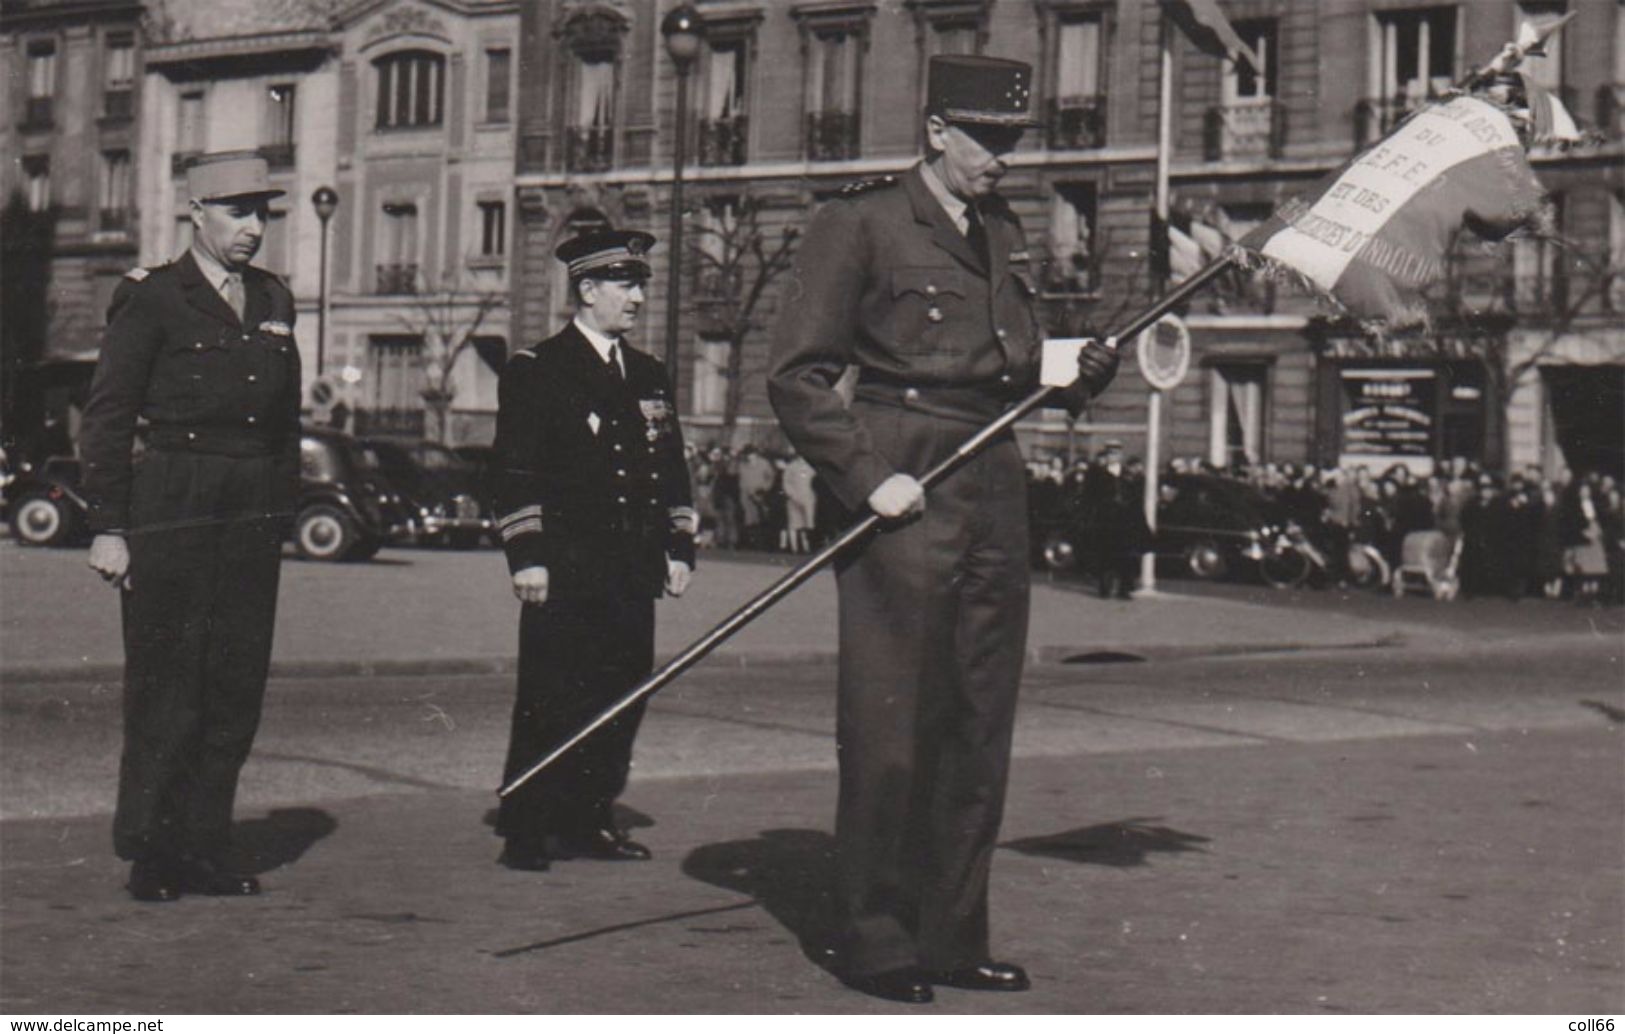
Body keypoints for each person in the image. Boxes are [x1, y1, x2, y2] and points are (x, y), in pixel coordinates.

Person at [767, 54, 1119, 1004]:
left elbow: (1003, 366)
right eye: (986, 137)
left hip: (992, 480)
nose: (1003, 156)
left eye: (1011, 139)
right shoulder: (860, 223)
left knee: (976, 720)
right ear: (933, 131)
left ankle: (951, 933)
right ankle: (875, 936)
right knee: (891, 723)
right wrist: (864, 475)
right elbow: (797, 374)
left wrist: (1075, 370)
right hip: (906, 474)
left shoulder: (1001, 228)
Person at [79, 151, 301, 903]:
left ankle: (206, 845)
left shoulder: (274, 299)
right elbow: (108, 415)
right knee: (168, 680)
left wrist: (280, 514)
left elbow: (285, 420)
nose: (251, 228)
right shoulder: (153, 297)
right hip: (174, 494)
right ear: (196, 214)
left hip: (248, 505)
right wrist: (110, 524)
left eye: (261, 213)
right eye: (236, 212)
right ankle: (152, 849)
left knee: (234, 681)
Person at [490, 228, 697, 871]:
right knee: (551, 694)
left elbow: (671, 468)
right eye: (625, 285)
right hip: (567, 569)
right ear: (587, 290)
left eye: (641, 285)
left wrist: (679, 544)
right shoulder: (538, 369)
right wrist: (527, 555)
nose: (637, 298)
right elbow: (514, 471)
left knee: (621, 695)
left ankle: (589, 816)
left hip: (631, 570)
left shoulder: (649, 374)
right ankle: (527, 824)